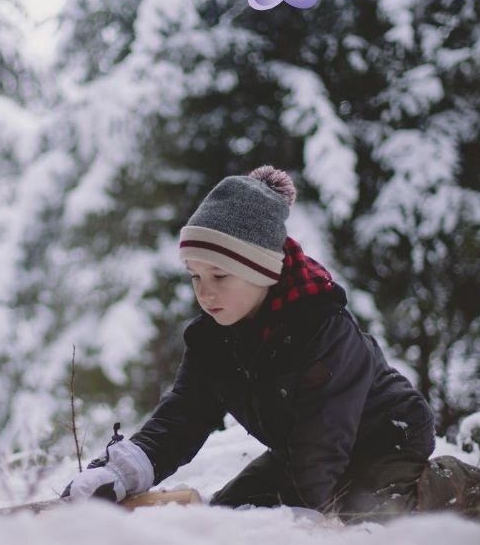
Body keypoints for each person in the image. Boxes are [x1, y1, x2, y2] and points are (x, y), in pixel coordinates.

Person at [63, 166, 438, 522]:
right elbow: (182, 417)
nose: (205, 292)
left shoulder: (322, 330)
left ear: (263, 272)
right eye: (195, 276)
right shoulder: (213, 340)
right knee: (230, 518)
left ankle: (453, 490)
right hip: (299, 451)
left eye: (220, 275)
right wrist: (122, 471)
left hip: (388, 438)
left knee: (366, 519)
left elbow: (323, 441)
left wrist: (306, 521)